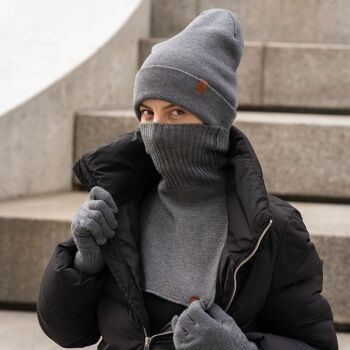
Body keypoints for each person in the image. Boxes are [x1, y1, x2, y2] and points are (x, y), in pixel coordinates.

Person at [36, 8, 338, 350]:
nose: (156, 129)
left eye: (176, 112)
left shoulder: (272, 230)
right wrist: (83, 262)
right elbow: (67, 332)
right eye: (147, 113)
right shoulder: (120, 208)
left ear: (213, 120)